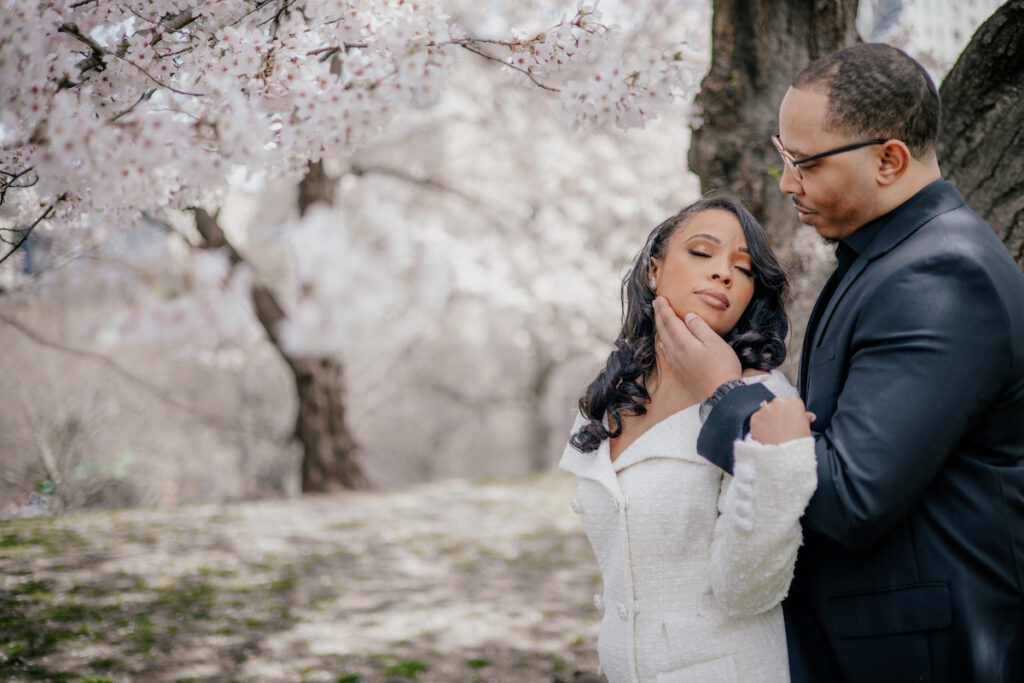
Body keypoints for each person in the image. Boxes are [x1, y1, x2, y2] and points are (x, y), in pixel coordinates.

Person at [654, 43, 1024, 682]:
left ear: (890, 159)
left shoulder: (941, 274)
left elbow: (853, 495)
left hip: (925, 653)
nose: (787, 183)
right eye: (782, 155)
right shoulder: (888, 257)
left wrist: (722, 392)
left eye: (807, 163)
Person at [559, 196, 817, 683]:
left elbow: (749, 590)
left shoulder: (760, 399)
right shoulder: (610, 398)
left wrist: (779, 463)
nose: (723, 273)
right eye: (702, 253)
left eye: (742, 269)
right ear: (653, 271)